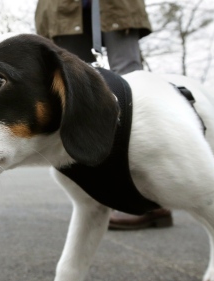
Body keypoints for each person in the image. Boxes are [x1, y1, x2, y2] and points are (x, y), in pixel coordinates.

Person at [35, 0, 173, 230]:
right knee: (73, 86)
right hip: (61, 7)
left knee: (131, 79)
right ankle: (93, 197)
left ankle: (152, 196)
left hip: (116, 5)